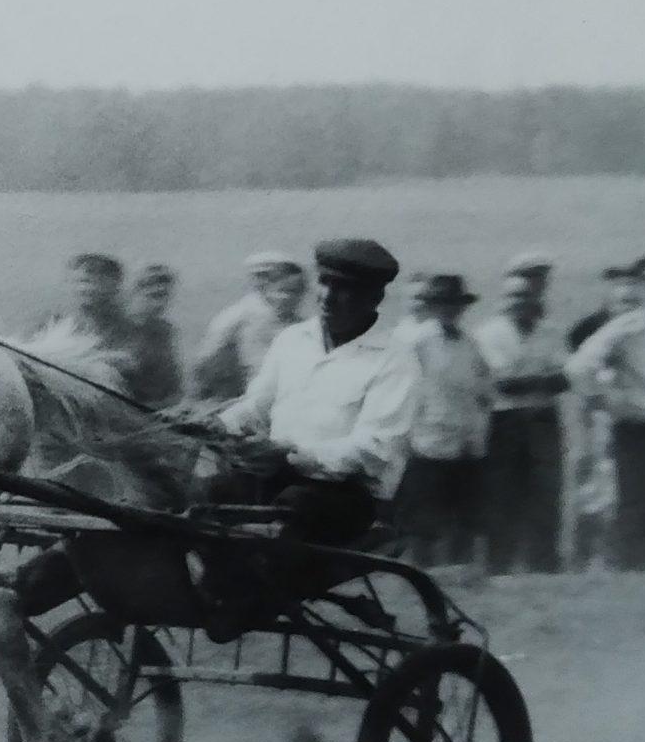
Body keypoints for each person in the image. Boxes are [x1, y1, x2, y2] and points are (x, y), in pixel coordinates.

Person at [206, 239, 421, 550]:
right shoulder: (292, 339)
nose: (328, 296)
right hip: (276, 478)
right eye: (324, 282)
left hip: (345, 496)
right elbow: (255, 407)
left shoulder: (394, 360)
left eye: (344, 288)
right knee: (210, 493)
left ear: (374, 297)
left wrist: (288, 453)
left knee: (289, 508)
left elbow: (375, 450)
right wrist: (217, 423)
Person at [566, 254, 645, 571]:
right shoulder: (623, 329)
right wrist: (606, 399)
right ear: (641, 288)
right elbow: (578, 368)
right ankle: (627, 570)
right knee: (633, 501)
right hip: (634, 428)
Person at [471, 257, 567, 573]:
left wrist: (532, 382)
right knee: (503, 493)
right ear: (503, 299)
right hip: (505, 422)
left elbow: (564, 378)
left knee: (545, 492)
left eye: (528, 296)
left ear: (538, 297)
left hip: (544, 420)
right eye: (514, 296)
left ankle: (543, 563)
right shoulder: (488, 333)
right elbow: (502, 385)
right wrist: (541, 380)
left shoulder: (550, 331)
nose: (521, 303)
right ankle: (499, 563)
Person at [394, 274, 489, 568]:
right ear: (433, 307)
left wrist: (476, 430)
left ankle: (460, 572)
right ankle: (422, 574)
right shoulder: (416, 342)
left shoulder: (470, 343)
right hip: (427, 439)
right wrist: (406, 437)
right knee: (425, 517)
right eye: (443, 304)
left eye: (455, 304)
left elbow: (482, 388)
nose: (450, 310)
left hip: (465, 438)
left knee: (463, 514)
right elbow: (402, 392)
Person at [192, 251, 309, 399]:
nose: (261, 281)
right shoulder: (236, 316)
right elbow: (207, 358)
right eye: (258, 275)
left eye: (266, 275)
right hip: (247, 396)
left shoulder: (298, 323)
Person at [120, 263, 184, 408]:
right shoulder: (120, 328)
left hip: (158, 409)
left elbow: (173, 381)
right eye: (153, 296)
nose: (159, 304)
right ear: (136, 293)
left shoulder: (165, 331)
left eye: (164, 296)